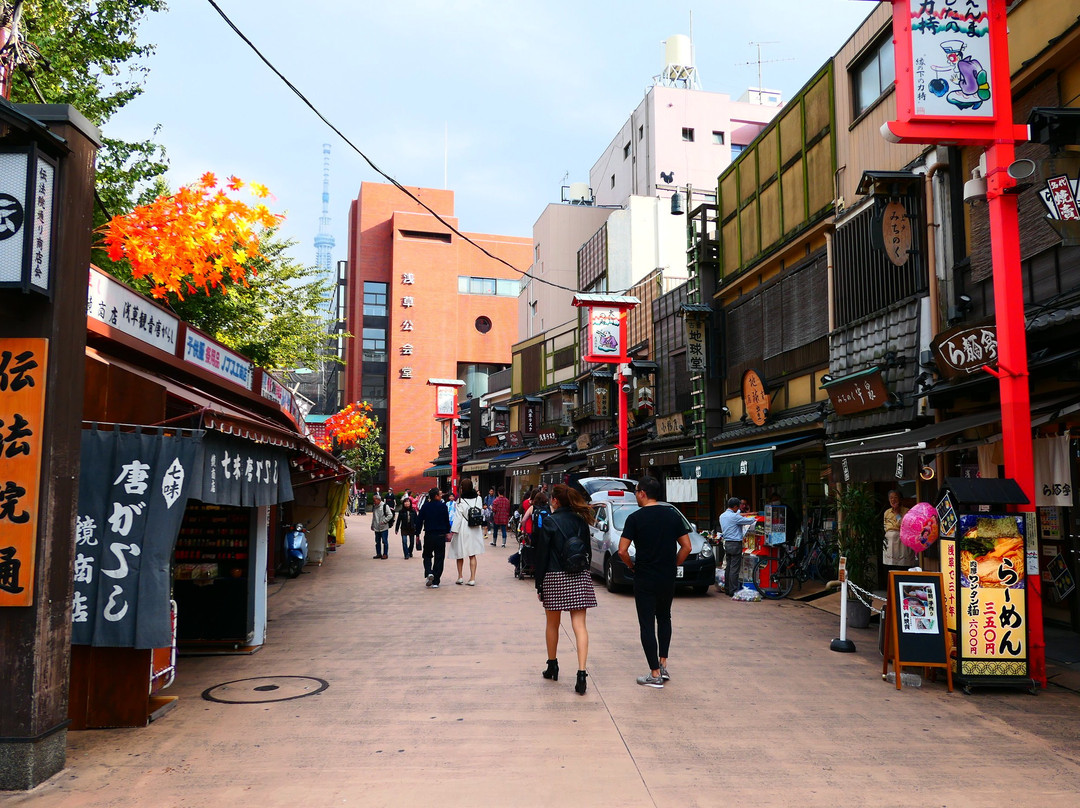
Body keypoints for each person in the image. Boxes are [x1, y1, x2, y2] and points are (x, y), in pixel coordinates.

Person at [618, 476, 691, 688]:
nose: (636, 496)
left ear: (642, 493)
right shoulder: (672, 515)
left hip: (645, 576)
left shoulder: (635, 518)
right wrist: (673, 564)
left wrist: (631, 566)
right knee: (665, 617)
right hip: (667, 576)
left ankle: (654, 673)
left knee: (647, 623)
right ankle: (663, 664)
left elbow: (622, 550)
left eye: (636, 492)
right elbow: (686, 546)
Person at [534, 483, 597, 695]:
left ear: (555, 501)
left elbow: (541, 555)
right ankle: (581, 674)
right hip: (578, 576)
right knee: (580, 625)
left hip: (554, 576)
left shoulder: (550, 522)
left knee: (553, 624)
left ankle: (552, 665)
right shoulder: (581, 521)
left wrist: (539, 582)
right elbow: (586, 552)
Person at [448, 479, 485, 585]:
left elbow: (458, 517)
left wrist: (453, 530)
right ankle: (472, 578)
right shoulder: (479, 498)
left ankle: (460, 577)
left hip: (463, 527)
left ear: (462, 488)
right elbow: (480, 511)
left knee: (460, 553)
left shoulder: (460, 500)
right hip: (475, 527)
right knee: (472, 554)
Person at [720, 497, 757, 596]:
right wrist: (754, 517)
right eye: (738, 507)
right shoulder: (734, 517)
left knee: (728, 567)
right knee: (734, 568)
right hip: (735, 543)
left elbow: (738, 516)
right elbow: (749, 521)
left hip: (727, 543)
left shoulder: (722, 516)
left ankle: (727, 588)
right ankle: (733, 590)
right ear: (735, 506)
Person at [415, 487, 451, 587]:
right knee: (439, 557)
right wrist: (448, 532)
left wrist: (417, 533)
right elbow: (446, 520)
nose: (441, 495)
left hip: (429, 535)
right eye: (440, 494)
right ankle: (436, 580)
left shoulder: (425, 506)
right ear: (436, 496)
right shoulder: (443, 506)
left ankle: (429, 572)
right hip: (440, 535)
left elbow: (419, 521)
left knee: (427, 555)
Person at [883, 489, 914, 571]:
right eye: (891, 498)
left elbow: (904, 525)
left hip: (901, 543)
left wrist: (897, 514)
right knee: (890, 567)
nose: (893, 500)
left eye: (895, 497)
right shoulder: (887, 512)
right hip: (889, 542)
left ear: (900, 499)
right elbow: (886, 527)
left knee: (902, 567)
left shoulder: (906, 511)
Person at [370, 494, 394, 559]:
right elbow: (374, 517)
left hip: (384, 527)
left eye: (374, 500)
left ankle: (385, 554)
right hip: (376, 527)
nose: (374, 502)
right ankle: (378, 553)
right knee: (377, 541)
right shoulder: (374, 506)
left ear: (378, 500)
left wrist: (384, 521)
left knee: (384, 541)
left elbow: (390, 515)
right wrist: (372, 524)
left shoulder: (385, 506)